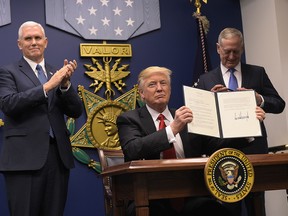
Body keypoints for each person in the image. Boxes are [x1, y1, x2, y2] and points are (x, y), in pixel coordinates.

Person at [116, 66, 266, 216]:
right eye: (152, 84)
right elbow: (133, 149)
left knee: (214, 209)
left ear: (170, 89)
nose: (159, 88)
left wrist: (249, 126)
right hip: (150, 196)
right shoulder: (129, 119)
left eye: (164, 83)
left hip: (190, 194)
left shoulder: (187, 116)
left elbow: (214, 146)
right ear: (141, 93)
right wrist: (172, 129)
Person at [196, 27, 286, 216]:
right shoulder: (205, 80)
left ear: (242, 49)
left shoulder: (257, 73)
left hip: (254, 149)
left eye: (235, 51)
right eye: (226, 51)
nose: (230, 56)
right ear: (218, 48)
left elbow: (279, 104)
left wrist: (258, 99)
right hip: (222, 152)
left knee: (257, 206)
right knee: (228, 208)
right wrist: (209, 102)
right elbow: (198, 117)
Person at [0, 21, 83, 216]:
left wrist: (65, 86)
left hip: (57, 158)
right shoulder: (7, 72)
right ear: (20, 44)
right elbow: (8, 104)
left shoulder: (57, 72)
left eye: (38, 38)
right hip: (24, 160)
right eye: (28, 38)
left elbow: (76, 111)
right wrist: (47, 86)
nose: (34, 42)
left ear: (45, 42)